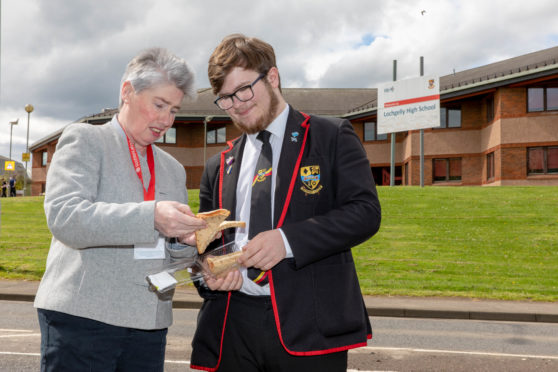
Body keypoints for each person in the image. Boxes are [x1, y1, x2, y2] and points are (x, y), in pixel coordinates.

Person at [190, 34, 382, 372]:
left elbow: (365, 213)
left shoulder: (330, 135)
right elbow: (207, 246)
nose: (237, 104)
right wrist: (207, 272)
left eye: (244, 90)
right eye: (225, 99)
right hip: (231, 328)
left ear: (273, 77)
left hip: (309, 327)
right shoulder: (218, 166)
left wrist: (287, 240)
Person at [33, 47, 207, 372]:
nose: (166, 120)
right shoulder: (85, 140)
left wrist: (190, 248)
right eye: (159, 105)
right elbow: (66, 218)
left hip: (150, 325)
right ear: (127, 92)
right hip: (83, 319)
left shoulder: (172, 169)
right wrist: (152, 215)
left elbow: (168, 256)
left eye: (174, 110)